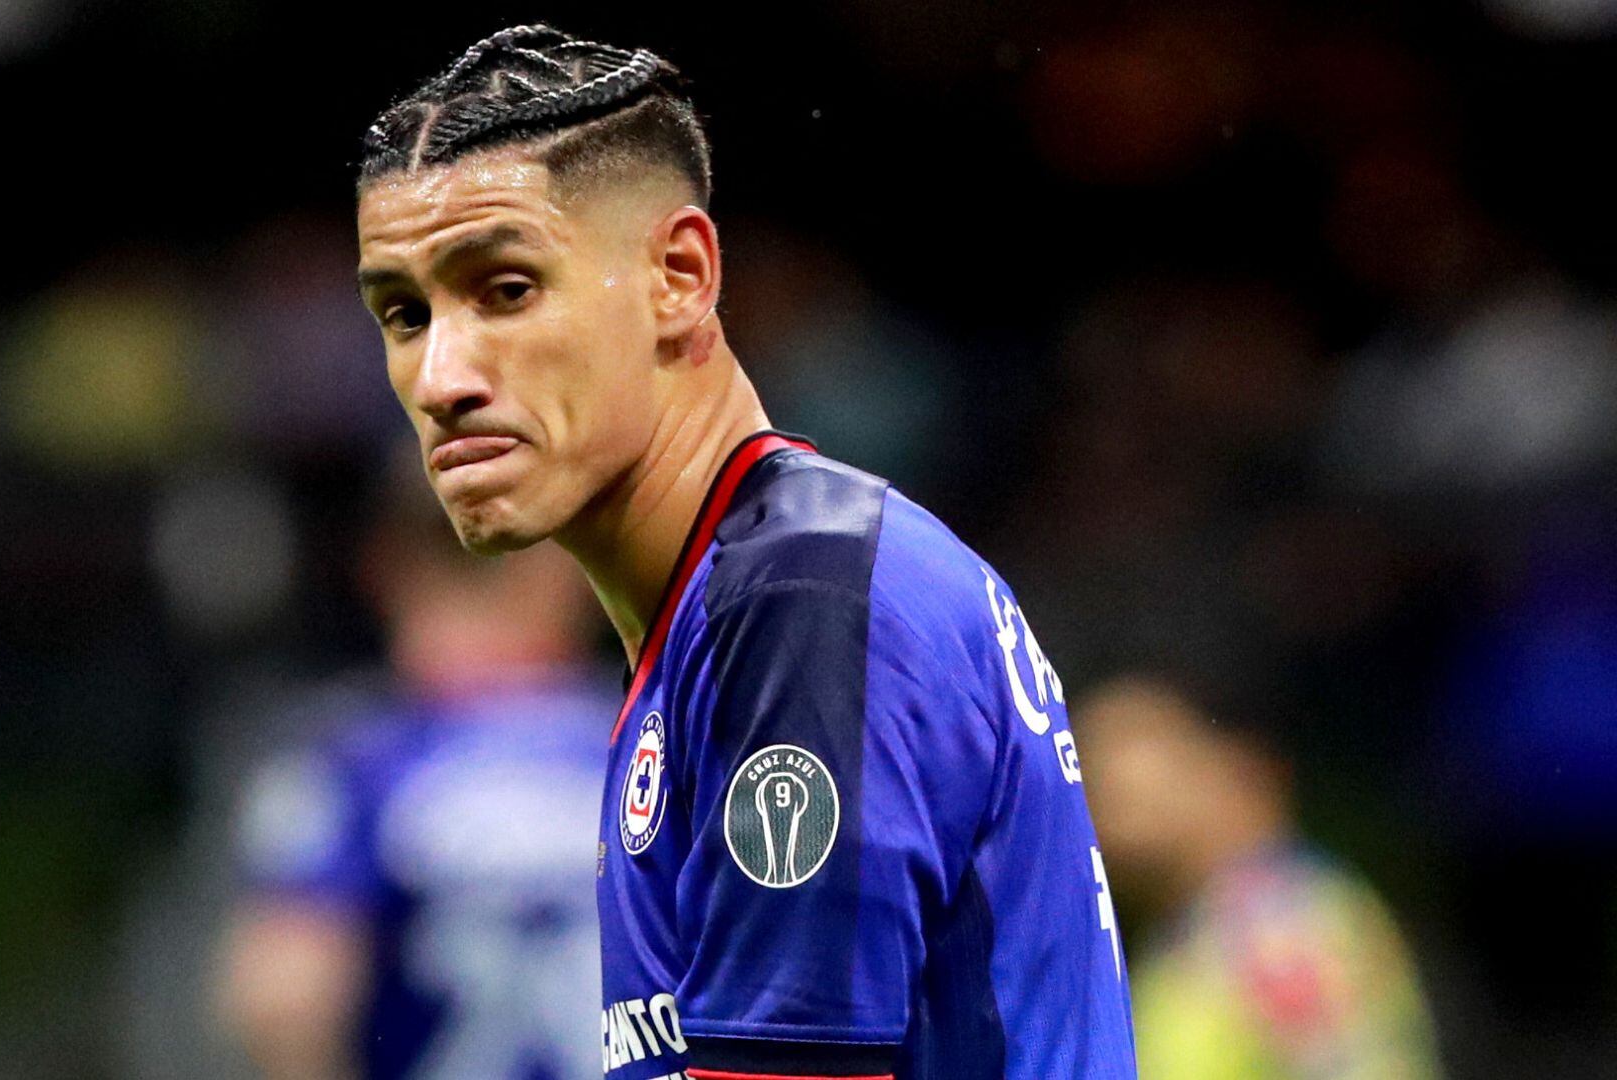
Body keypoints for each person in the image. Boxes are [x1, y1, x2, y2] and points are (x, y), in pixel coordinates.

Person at [353, 25, 1137, 1080]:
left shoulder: (796, 604)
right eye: (403, 313)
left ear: (680, 276)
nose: (442, 376)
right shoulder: (731, 606)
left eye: (506, 289)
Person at [218, 472, 616, 1080]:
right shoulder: (651, 743)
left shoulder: (356, 764)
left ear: (383, 568)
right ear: (570, 567)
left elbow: (284, 1002)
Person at [1075, 671, 1442, 1078]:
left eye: (1133, 747)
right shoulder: (1202, 928)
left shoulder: (1277, 924)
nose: (1102, 794)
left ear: (1238, 767)